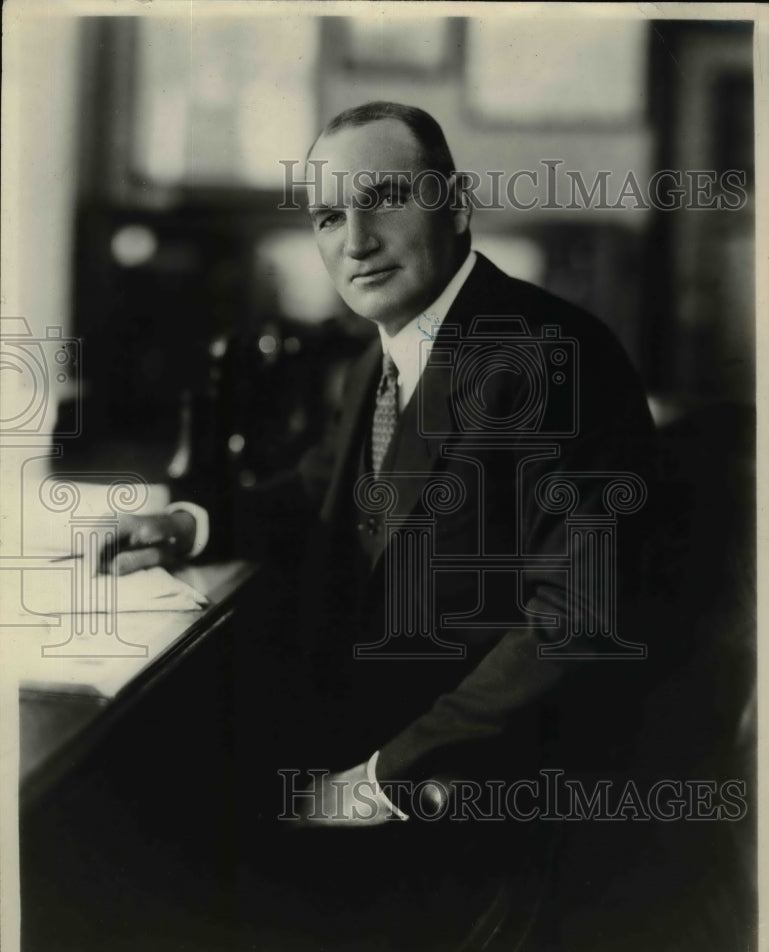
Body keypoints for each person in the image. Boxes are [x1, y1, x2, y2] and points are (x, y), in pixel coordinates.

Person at [103, 101, 658, 830]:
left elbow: (572, 622)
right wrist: (190, 525)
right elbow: (320, 490)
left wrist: (378, 780)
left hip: (489, 795)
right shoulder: (381, 354)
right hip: (372, 741)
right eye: (328, 219)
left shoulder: (553, 355)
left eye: (384, 200)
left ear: (456, 207)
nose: (356, 243)